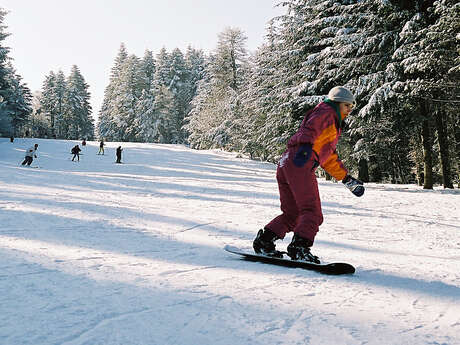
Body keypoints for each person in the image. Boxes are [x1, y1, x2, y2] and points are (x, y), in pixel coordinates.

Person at [253, 86, 365, 263]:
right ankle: (300, 248)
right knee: (312, 212)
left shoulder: (328, 121)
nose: (350, 110)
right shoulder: (327, 112)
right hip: (299, 162)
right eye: (347, 105)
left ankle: (264, 241)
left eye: (352, 106)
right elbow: (311, 129)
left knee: (293, 214)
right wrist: (305, 149)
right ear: (337, 103)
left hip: (286, 163)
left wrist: (346, 178)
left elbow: (327, 157)